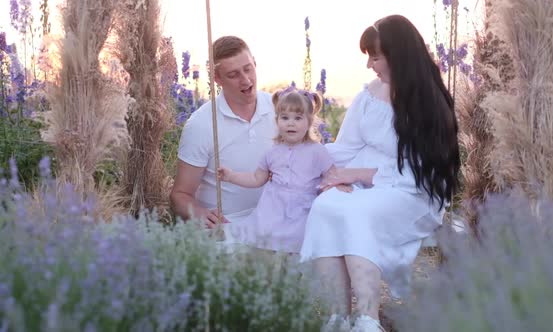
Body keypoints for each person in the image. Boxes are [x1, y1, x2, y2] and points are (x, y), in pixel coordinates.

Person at [300, 15, 460, 331]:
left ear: (397, 54)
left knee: (359, 213)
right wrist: (309, 159)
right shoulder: (369, 95)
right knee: (326, 206)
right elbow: (346, 147)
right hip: (365, 184)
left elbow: (421, 171)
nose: (370, 65)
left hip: (413, 192)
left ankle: (367, 318)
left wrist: (357, 174)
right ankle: (338, 316)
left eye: (375, 56)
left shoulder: (428, 102)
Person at [170, 36, 276, 231]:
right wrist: (199, 213)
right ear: (216, 78)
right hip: (228, 226)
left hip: (277, 219)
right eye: (233, 74)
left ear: (255, 63)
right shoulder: (201, 124)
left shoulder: (279, 109)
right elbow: (180, 195)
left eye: (248, 68)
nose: (245, 80)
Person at [217, 88, 338, 253]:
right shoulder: (272, 152)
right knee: (264, 240)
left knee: (299, 239)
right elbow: (256, 178)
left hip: (302, 210)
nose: (290, 123)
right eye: (285, 117)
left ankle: (291, 265)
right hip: (273, 209)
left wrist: (337, 185)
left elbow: (333, 176)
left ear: (309, 122)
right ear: (277, 120)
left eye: (298, 118)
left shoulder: (317, 151)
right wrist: (231, 176)